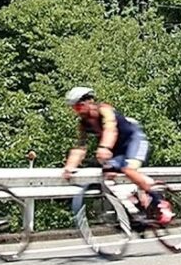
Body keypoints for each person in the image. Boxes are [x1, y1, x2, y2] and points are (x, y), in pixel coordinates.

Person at [61, 86, 173, 224]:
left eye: (78, 107)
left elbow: (110, 129)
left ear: (89, 102)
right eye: (74, 109)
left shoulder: (104, 109)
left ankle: (159, 202)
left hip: (134, 140)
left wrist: (104, 147)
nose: (77, 112)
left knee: (128, 169)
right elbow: (80, 147)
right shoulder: (83, 123)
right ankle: (133, 207)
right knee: (108, 174)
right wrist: (69, 167)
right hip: (117, 148)